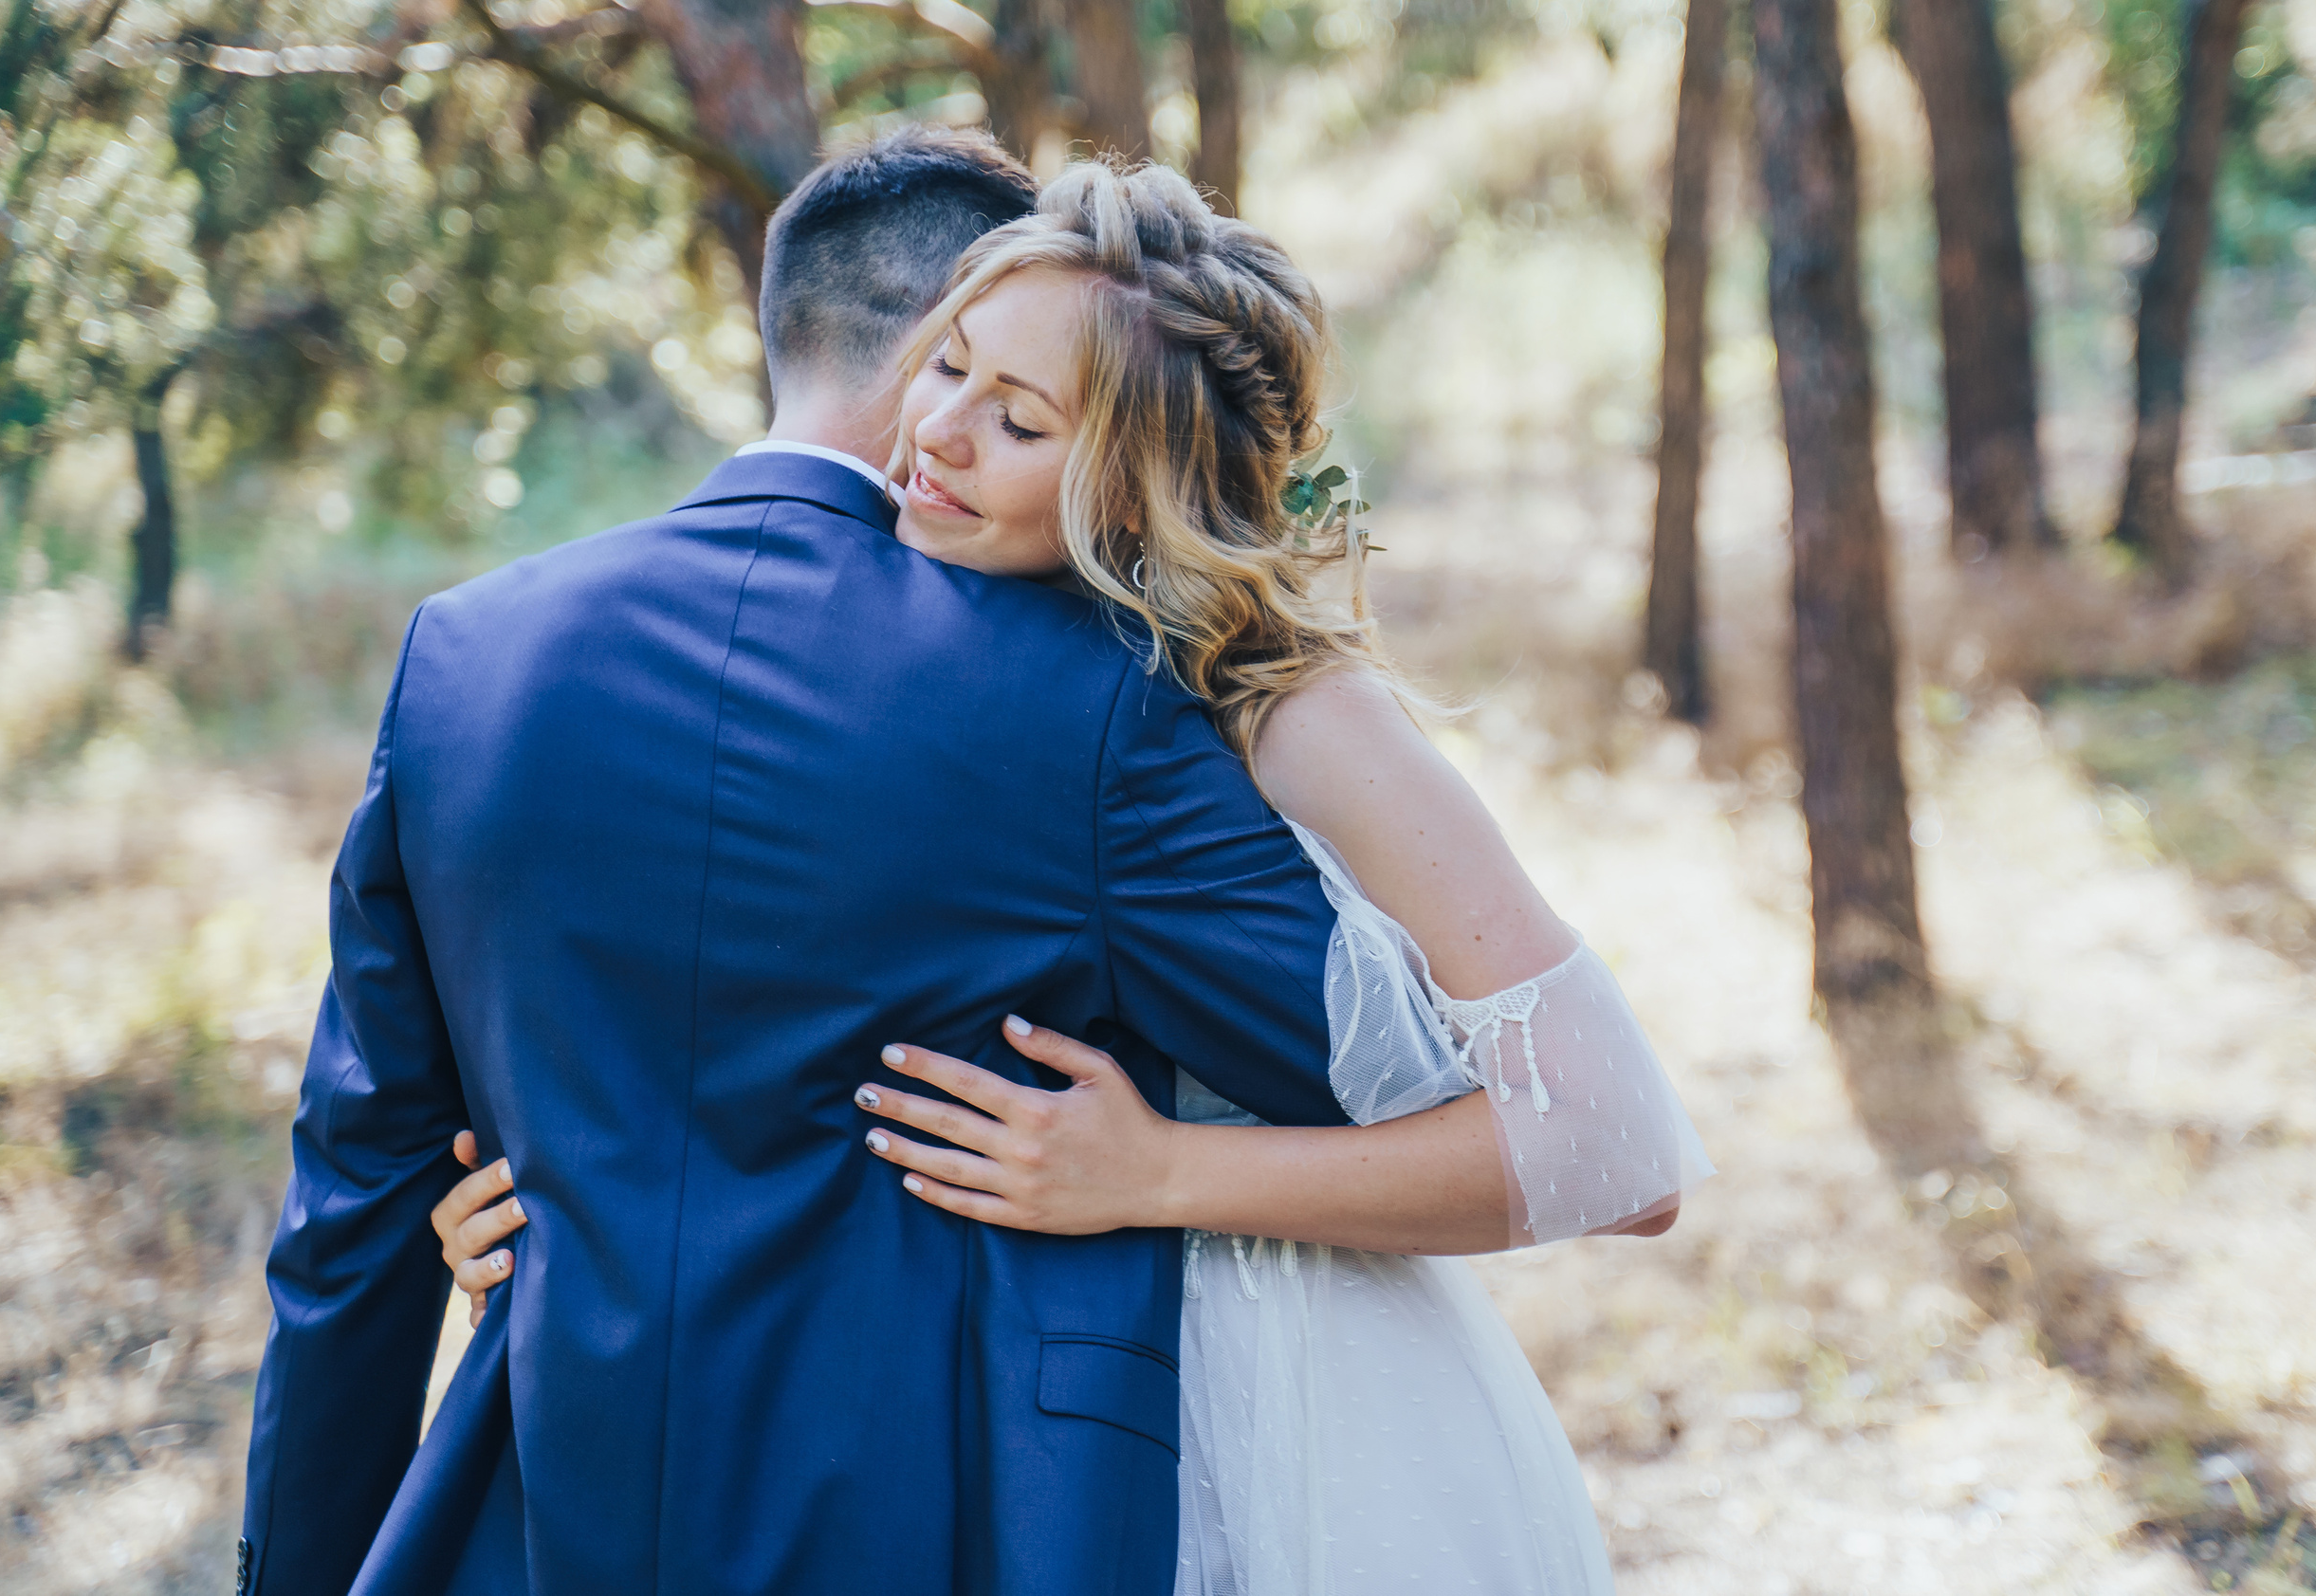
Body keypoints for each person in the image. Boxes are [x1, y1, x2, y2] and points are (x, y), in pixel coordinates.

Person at [432, 155, 1713, 1594]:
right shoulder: (932, 675)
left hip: (1285, 1401)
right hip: (999, 1430)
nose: (938, 438)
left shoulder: (1288, 708)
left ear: (1135, 480)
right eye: (949, 367)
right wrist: (548, 1192)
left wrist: (1167, 1170)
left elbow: (1624, 1149)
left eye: (1019, 420)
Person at [244, 128, 1403, 1596]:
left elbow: (351, 1216)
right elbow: (1377, 1077)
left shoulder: (467, 657)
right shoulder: (1094, 701)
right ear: (948, 338)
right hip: (949, 1525)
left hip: (534, 1523)